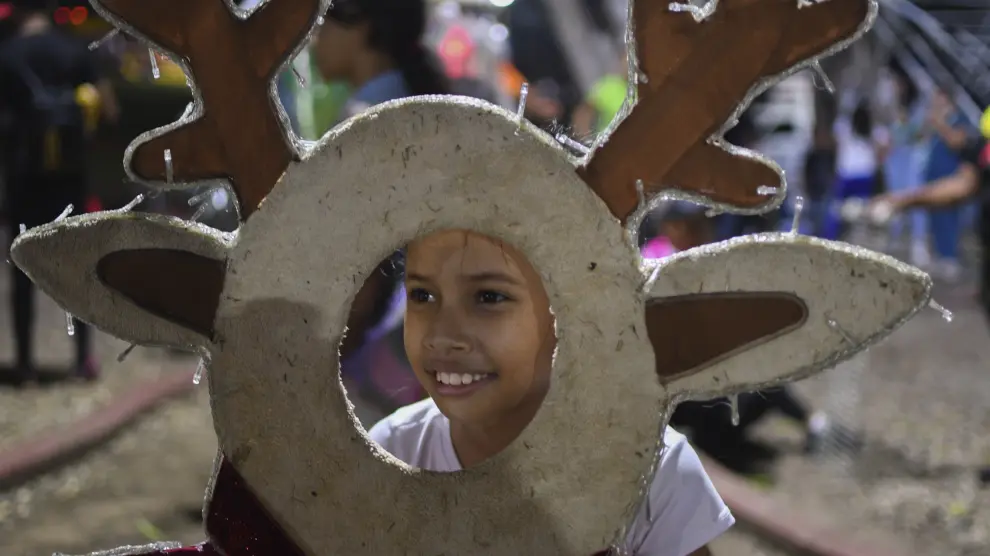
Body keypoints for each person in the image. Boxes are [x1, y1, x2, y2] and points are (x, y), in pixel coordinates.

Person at [370, 229, 733, 556]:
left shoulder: (650, 470)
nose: (442, 336)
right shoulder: (391, 453)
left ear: (570, 308)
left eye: (489, 296)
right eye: (422, 294)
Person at [0, 0, 118, 382]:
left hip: (23, 180)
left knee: (22, 271)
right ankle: (83, 360)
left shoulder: (8, 56)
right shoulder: (72, 51)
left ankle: (24, 363)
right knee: (75, 265)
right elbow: (110, 112)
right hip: (70, 180)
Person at [312, 0, 450, 122]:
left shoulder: (362, 119)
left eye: (322, 27)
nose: (314, 42)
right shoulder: (412, 96)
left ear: (361, 27)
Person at [918, 88, 972, 282]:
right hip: (933, 176)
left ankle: (951, 257)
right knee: (936, 219)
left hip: (950, 178)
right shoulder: (935, 119)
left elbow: (958, 142)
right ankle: (941, 255)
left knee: (949, 218)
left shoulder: (960, 119)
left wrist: (939, 124)